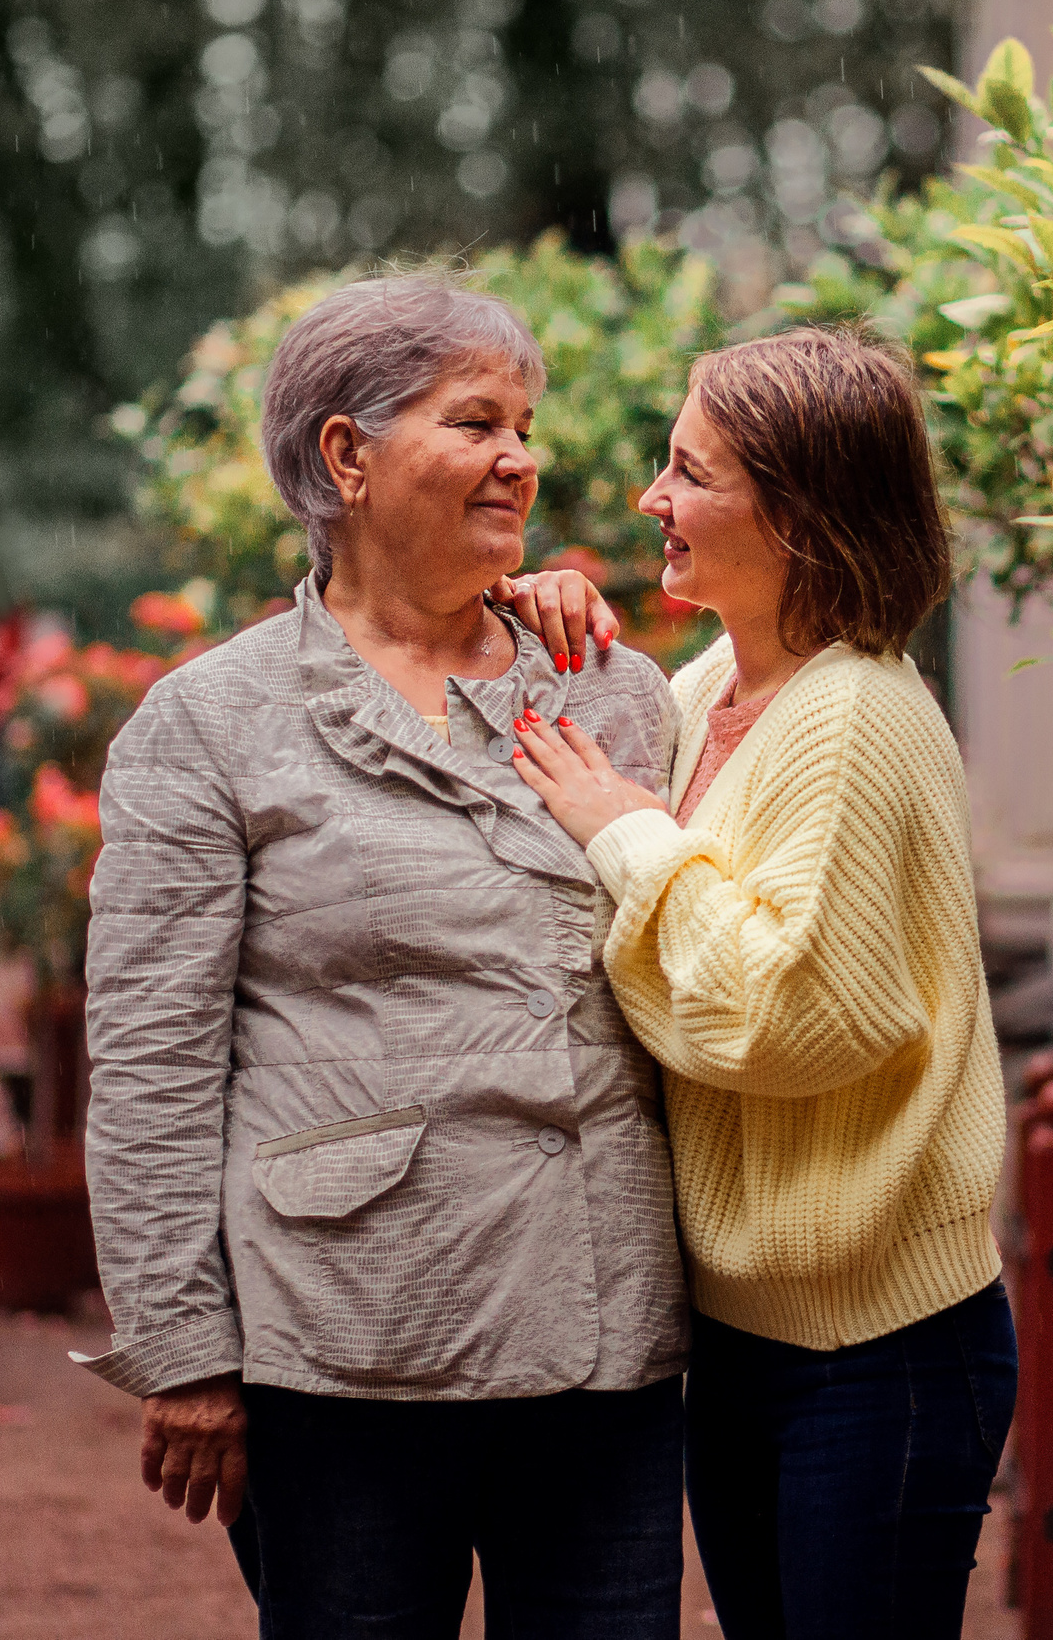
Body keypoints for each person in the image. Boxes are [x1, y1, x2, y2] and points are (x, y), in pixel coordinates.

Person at [78, 271, 688, 1639]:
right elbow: (154, 1064)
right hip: (345, 1341)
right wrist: (183, 1348)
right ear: (347, 455)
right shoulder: (209, 725)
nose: (520, 458)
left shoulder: (610, 688)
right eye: (476, 423)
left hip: (603, 1333)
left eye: (525, 427)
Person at [506, 324, 1015, 1640]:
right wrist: (538, 615)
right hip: (746, 1334)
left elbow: (794, 1014)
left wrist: (628, 832)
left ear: (796, 514)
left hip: (877, 1349)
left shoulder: (851, 717)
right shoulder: (710, 691)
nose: (651, 499)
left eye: (689, 473)